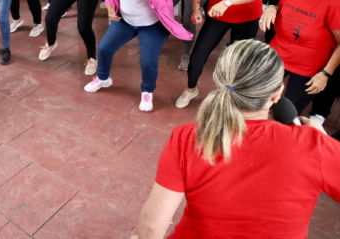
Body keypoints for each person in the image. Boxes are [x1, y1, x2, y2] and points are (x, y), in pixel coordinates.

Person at [137, 39, 340, 239]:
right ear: (277, 95)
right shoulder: (314, 145)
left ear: (216, 81)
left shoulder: (187, 138)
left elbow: (151, 228)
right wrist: (320, 143)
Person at [260, 0, 340, 116]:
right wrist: (271, 9)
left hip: (307, 66)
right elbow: (280, 8)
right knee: (253, 101)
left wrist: (326, 74)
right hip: (278, 54)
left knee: (284, 116)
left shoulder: (334, 3)